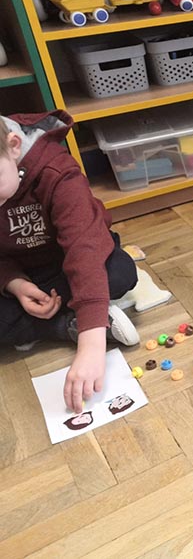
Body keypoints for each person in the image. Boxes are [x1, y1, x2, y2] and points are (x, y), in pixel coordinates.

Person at [0, 112, 138, 412]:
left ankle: (84, 319)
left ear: (13, 146)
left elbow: (84, 248)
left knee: (119, 272)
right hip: (22, 273)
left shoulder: (56, 171)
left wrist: (91, 346)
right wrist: (15, 283)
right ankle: (64, 326)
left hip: (72, 260)